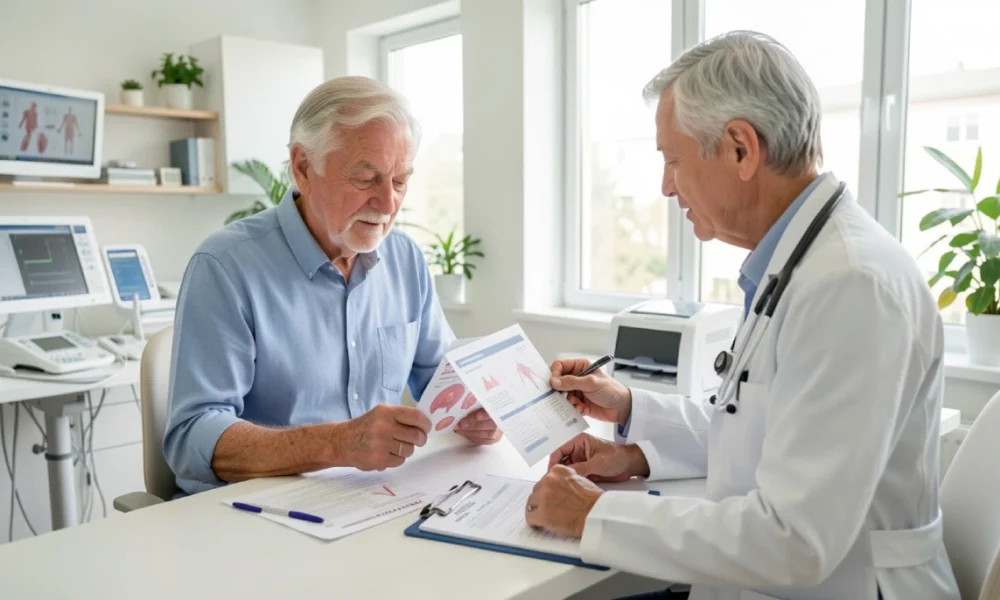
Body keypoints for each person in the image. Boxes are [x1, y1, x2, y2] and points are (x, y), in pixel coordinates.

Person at [526, 31, 960, 599]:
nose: (665, 187)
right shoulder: (799, 263)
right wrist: (631, 421)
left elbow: (793, 541)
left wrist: (593, 515)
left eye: (672, 160)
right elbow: (758, 426)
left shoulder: (850, 285)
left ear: (739, 148)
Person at [163, 76, 501, 495]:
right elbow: (191, 438)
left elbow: (441, 381)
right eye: (366, 178)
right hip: (260, 515)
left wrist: (478, 411)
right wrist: (338, 444)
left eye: (400, 181)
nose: (388, 203)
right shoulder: (225, 266)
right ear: (303, 167)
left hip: (375, 503)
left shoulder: (405, 259)